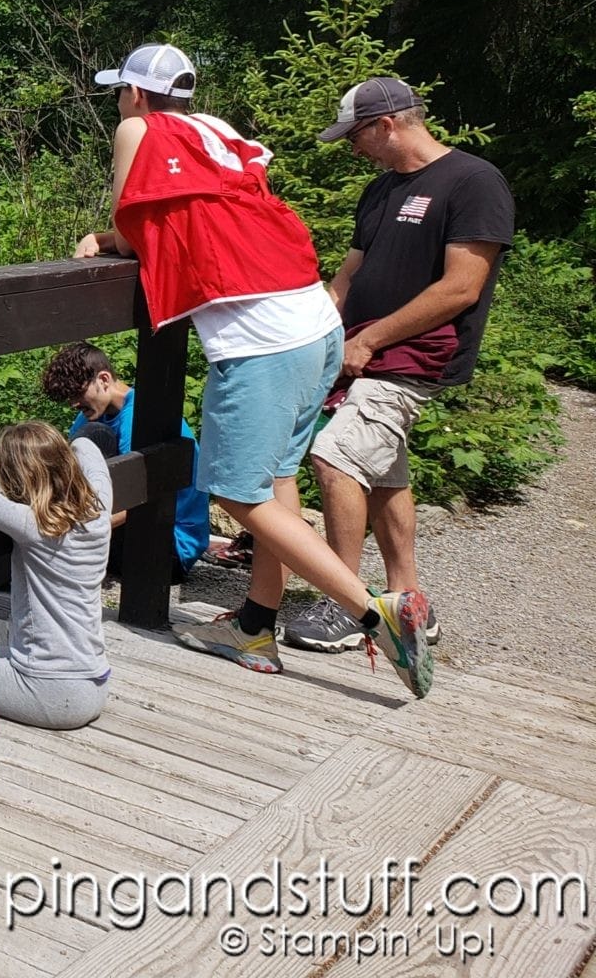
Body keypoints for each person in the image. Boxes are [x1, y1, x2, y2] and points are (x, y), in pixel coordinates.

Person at [71, 42, 431, 696]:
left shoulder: (137, 127)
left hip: (262, 340)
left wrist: (102, 241)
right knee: (275, 478)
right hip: (314, 321)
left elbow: (131, 219)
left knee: (240, 496)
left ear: (134, 94)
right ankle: (256, 627)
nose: (118, 103)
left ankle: (376, 610)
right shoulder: (217, 130)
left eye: (118, 92)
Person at [281, 78, 514, 653]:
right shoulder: (381, 190)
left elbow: (462, 287)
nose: (351, 147)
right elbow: (350, 273)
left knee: (334, 460)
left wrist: (373, 339)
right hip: (364, 348)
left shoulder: (473, 181)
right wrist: (321, 334)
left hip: (414, 354)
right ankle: (409, 605)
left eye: (355, 135)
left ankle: (347, 604)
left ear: (387, 125)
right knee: (382, 475)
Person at [0, 422, 111, 728]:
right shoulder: (98, 507)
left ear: (15, 483)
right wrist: (66, 446)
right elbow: (88, 447)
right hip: (95, 681)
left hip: (49, 690)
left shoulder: (34, 525)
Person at [38, 341, 212, 582]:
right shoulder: (88, 419)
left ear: (104, 379)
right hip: (129, 533)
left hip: (169, 546)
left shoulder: (143, 418)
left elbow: (144, 500)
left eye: (78, 393)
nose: (73, 403)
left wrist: (82, 531)